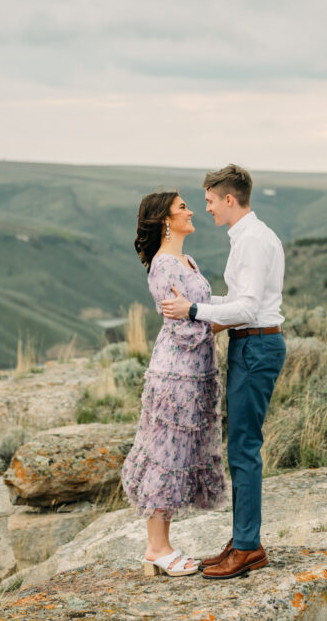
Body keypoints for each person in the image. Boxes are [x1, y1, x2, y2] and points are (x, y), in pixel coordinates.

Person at [161, 164, 286, 580]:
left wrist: (194, 310)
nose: (207, 208)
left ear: (229, 199)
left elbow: (247, 308)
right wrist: (201, 299)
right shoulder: (251, 236)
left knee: (244, 449)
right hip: (252, 343)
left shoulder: (251, 241)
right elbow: (239, 299)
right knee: (241, 447)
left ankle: (248, 548)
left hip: (255, 345)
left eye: (211, 201)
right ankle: (242, 539)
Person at [121, 190, 230, 578]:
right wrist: (234, 317)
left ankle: (161, 545)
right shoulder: (164, 266)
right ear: (165, 219)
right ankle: (156, 548)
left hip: (197, 372)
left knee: (180, 454)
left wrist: (226, 310)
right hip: (175, 373)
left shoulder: (187, 260)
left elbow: (198, 310)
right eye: (183, 207)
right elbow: (185, 329)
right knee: (166, 455)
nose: (191, 211)